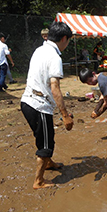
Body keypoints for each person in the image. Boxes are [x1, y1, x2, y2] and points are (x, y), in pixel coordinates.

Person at [21, 22, 74, 189]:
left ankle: (49, 163)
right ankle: (39, 181)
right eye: (68, 41)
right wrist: (65, 115)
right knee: (46, 144)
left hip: (27, 102)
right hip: (39, 106)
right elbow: (55, 88)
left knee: (44, 135)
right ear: (64, 38)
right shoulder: (55, 57)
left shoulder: (40, 50)